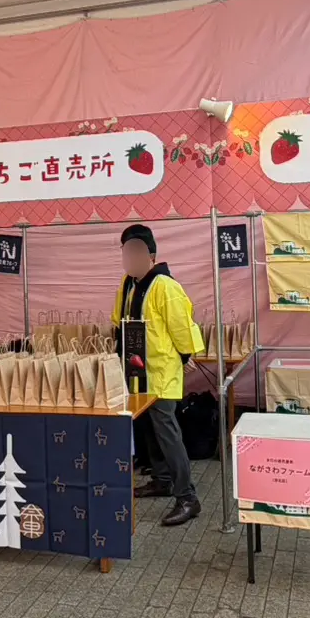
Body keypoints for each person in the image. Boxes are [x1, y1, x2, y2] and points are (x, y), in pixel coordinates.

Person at [111, 225, 205, 526]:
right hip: (136, 370)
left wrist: (186, 355)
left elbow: (182, 325)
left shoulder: (165, 285)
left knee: (166, 431)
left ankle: (187, 497)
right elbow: (118, 320)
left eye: (136, 251)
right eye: (125, 251)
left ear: (150, 254)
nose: (130, 257)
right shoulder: (128, 283)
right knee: (148, 428)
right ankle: (162, 480)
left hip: (162, 370)